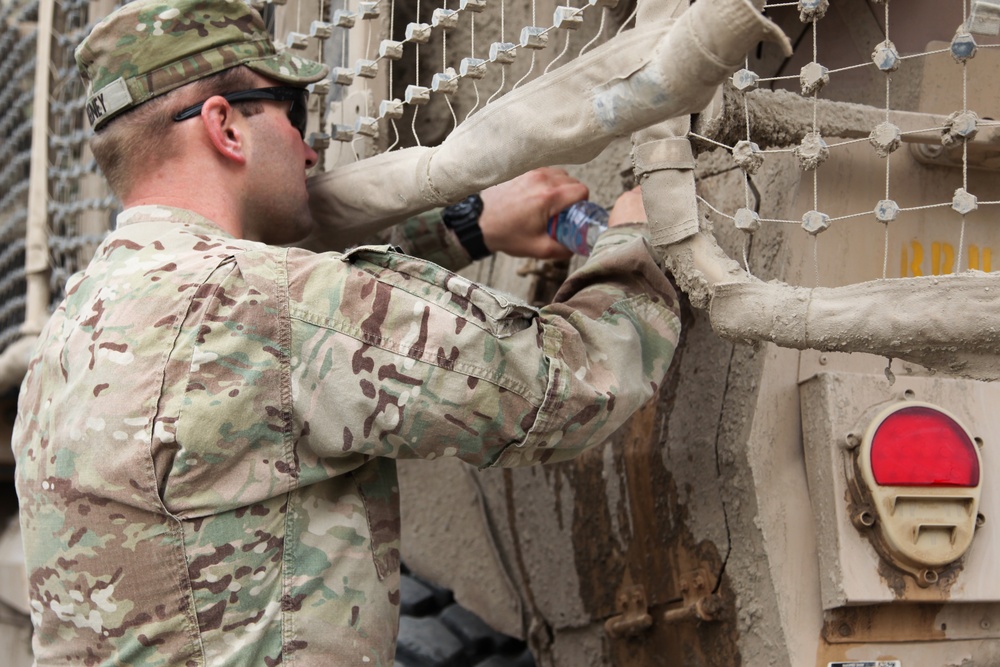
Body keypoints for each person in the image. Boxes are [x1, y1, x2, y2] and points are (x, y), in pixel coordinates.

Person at [12, 0, 681, 664]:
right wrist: (632, 239)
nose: (308, 149)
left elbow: (315, 333)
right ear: (225, 126)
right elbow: (567, 387)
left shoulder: (71, 329)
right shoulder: (263, 306)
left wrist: (468, 224)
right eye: (291, 112)